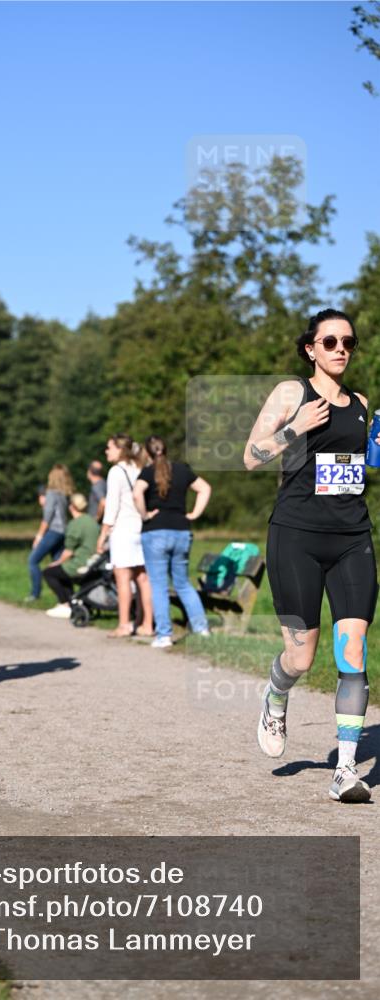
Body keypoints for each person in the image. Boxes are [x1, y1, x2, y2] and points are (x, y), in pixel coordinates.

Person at [245, 308, 378, 803]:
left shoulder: (361, 404)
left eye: (348, 341)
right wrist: (293, 428)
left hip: (351, 539)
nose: (340, 348)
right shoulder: (291, 394)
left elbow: (354, 468)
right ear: (311, 349)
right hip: (296, 537)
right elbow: (249, 455)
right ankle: (276, 696)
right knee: (301, 656)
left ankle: (345, 770)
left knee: (353, 652)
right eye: (330, 342)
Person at [133, 436, 212, 648]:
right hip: (181, 531)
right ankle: (201, 628)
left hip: (155, 532)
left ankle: (164, 636)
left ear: (147, 453)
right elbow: (205, 488)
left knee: (158, 585)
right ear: (165, 450)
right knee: (183, 583)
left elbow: (136, 493)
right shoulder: (182, 470)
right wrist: (194, 514)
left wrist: (145, 515)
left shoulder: (147, 472)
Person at [96, 434, 154, 638]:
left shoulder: (116, 471)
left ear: (120, 449)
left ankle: (124, 624)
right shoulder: (139, 468)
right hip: (141, 527)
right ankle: (146, 623)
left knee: (123, 578)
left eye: (109, 447)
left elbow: (112, 506)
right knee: (143, 578)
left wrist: (103, 533)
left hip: (123, 530)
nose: (106, 451)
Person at [42, 493, 100, 618]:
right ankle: (72, 601)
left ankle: (64, 603)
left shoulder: (75, 524)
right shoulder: (92, 521)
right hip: (95, 562)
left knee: (49, 572)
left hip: (81, 562)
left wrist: (57, 562)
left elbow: (68, 551)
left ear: (72, 507)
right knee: (62, 573)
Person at [26, 464, 74, 602]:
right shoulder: (64, 494)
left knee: (33, 560)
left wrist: (39, 536)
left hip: (54, 531)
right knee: (59, 564)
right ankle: (67, 595)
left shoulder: (51, 493)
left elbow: (47, 518)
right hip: (63, 531)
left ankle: (35, 594)